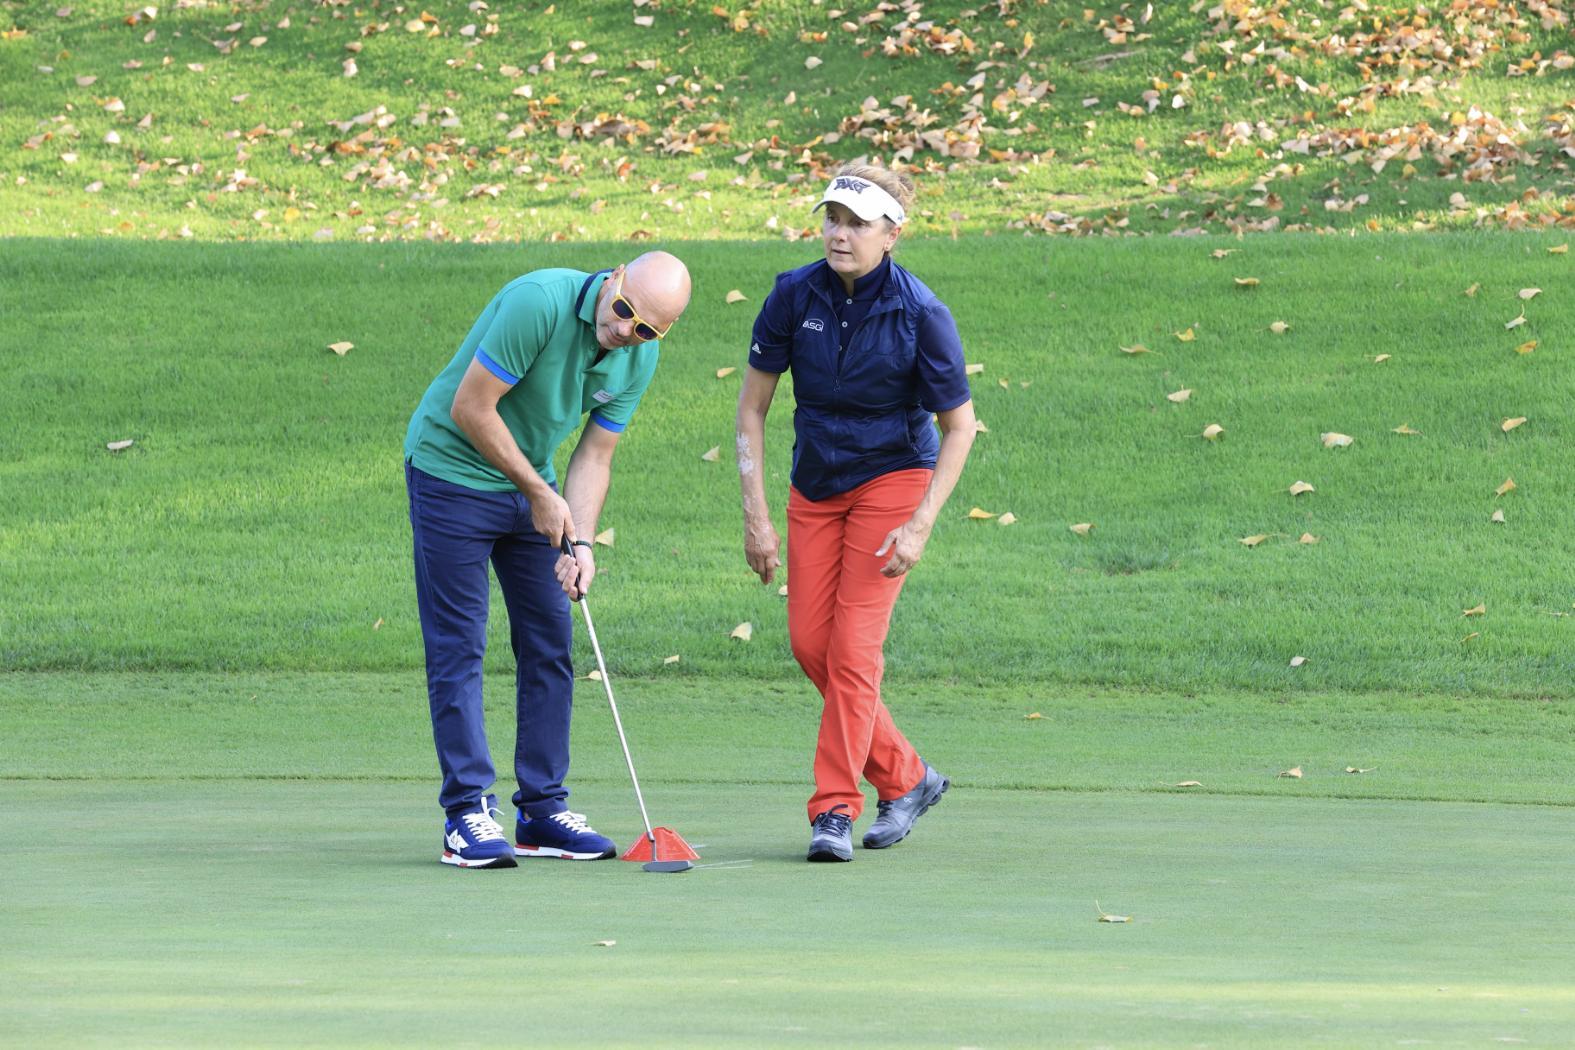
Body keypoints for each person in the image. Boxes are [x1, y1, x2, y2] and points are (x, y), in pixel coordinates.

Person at [404, 251, 692, 869]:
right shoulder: (538, 302)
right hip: (450, 472)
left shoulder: (639, 356)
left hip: (532, 486)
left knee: (549, 641)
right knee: (458, 644)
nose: (624, 332)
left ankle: (541, 810)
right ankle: (467, 814)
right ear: (614, 278)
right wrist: (538, 492)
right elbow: (470, 407)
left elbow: (595, 455)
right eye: (623, 312)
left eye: (645, 328)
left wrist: (581, 542)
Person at [735, 166, 977, 862]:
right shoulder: (792, 295)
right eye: (831, 219)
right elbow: (751, 408)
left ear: (891, 234)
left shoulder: (919, 312)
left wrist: (920, 523)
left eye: (856, 223)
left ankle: (832, 810)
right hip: (815, 483)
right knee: (812, 645)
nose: (839, 234)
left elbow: (958, 426)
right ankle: (907, 777)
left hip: (892, 480)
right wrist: (756, 513)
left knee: (851, 652)